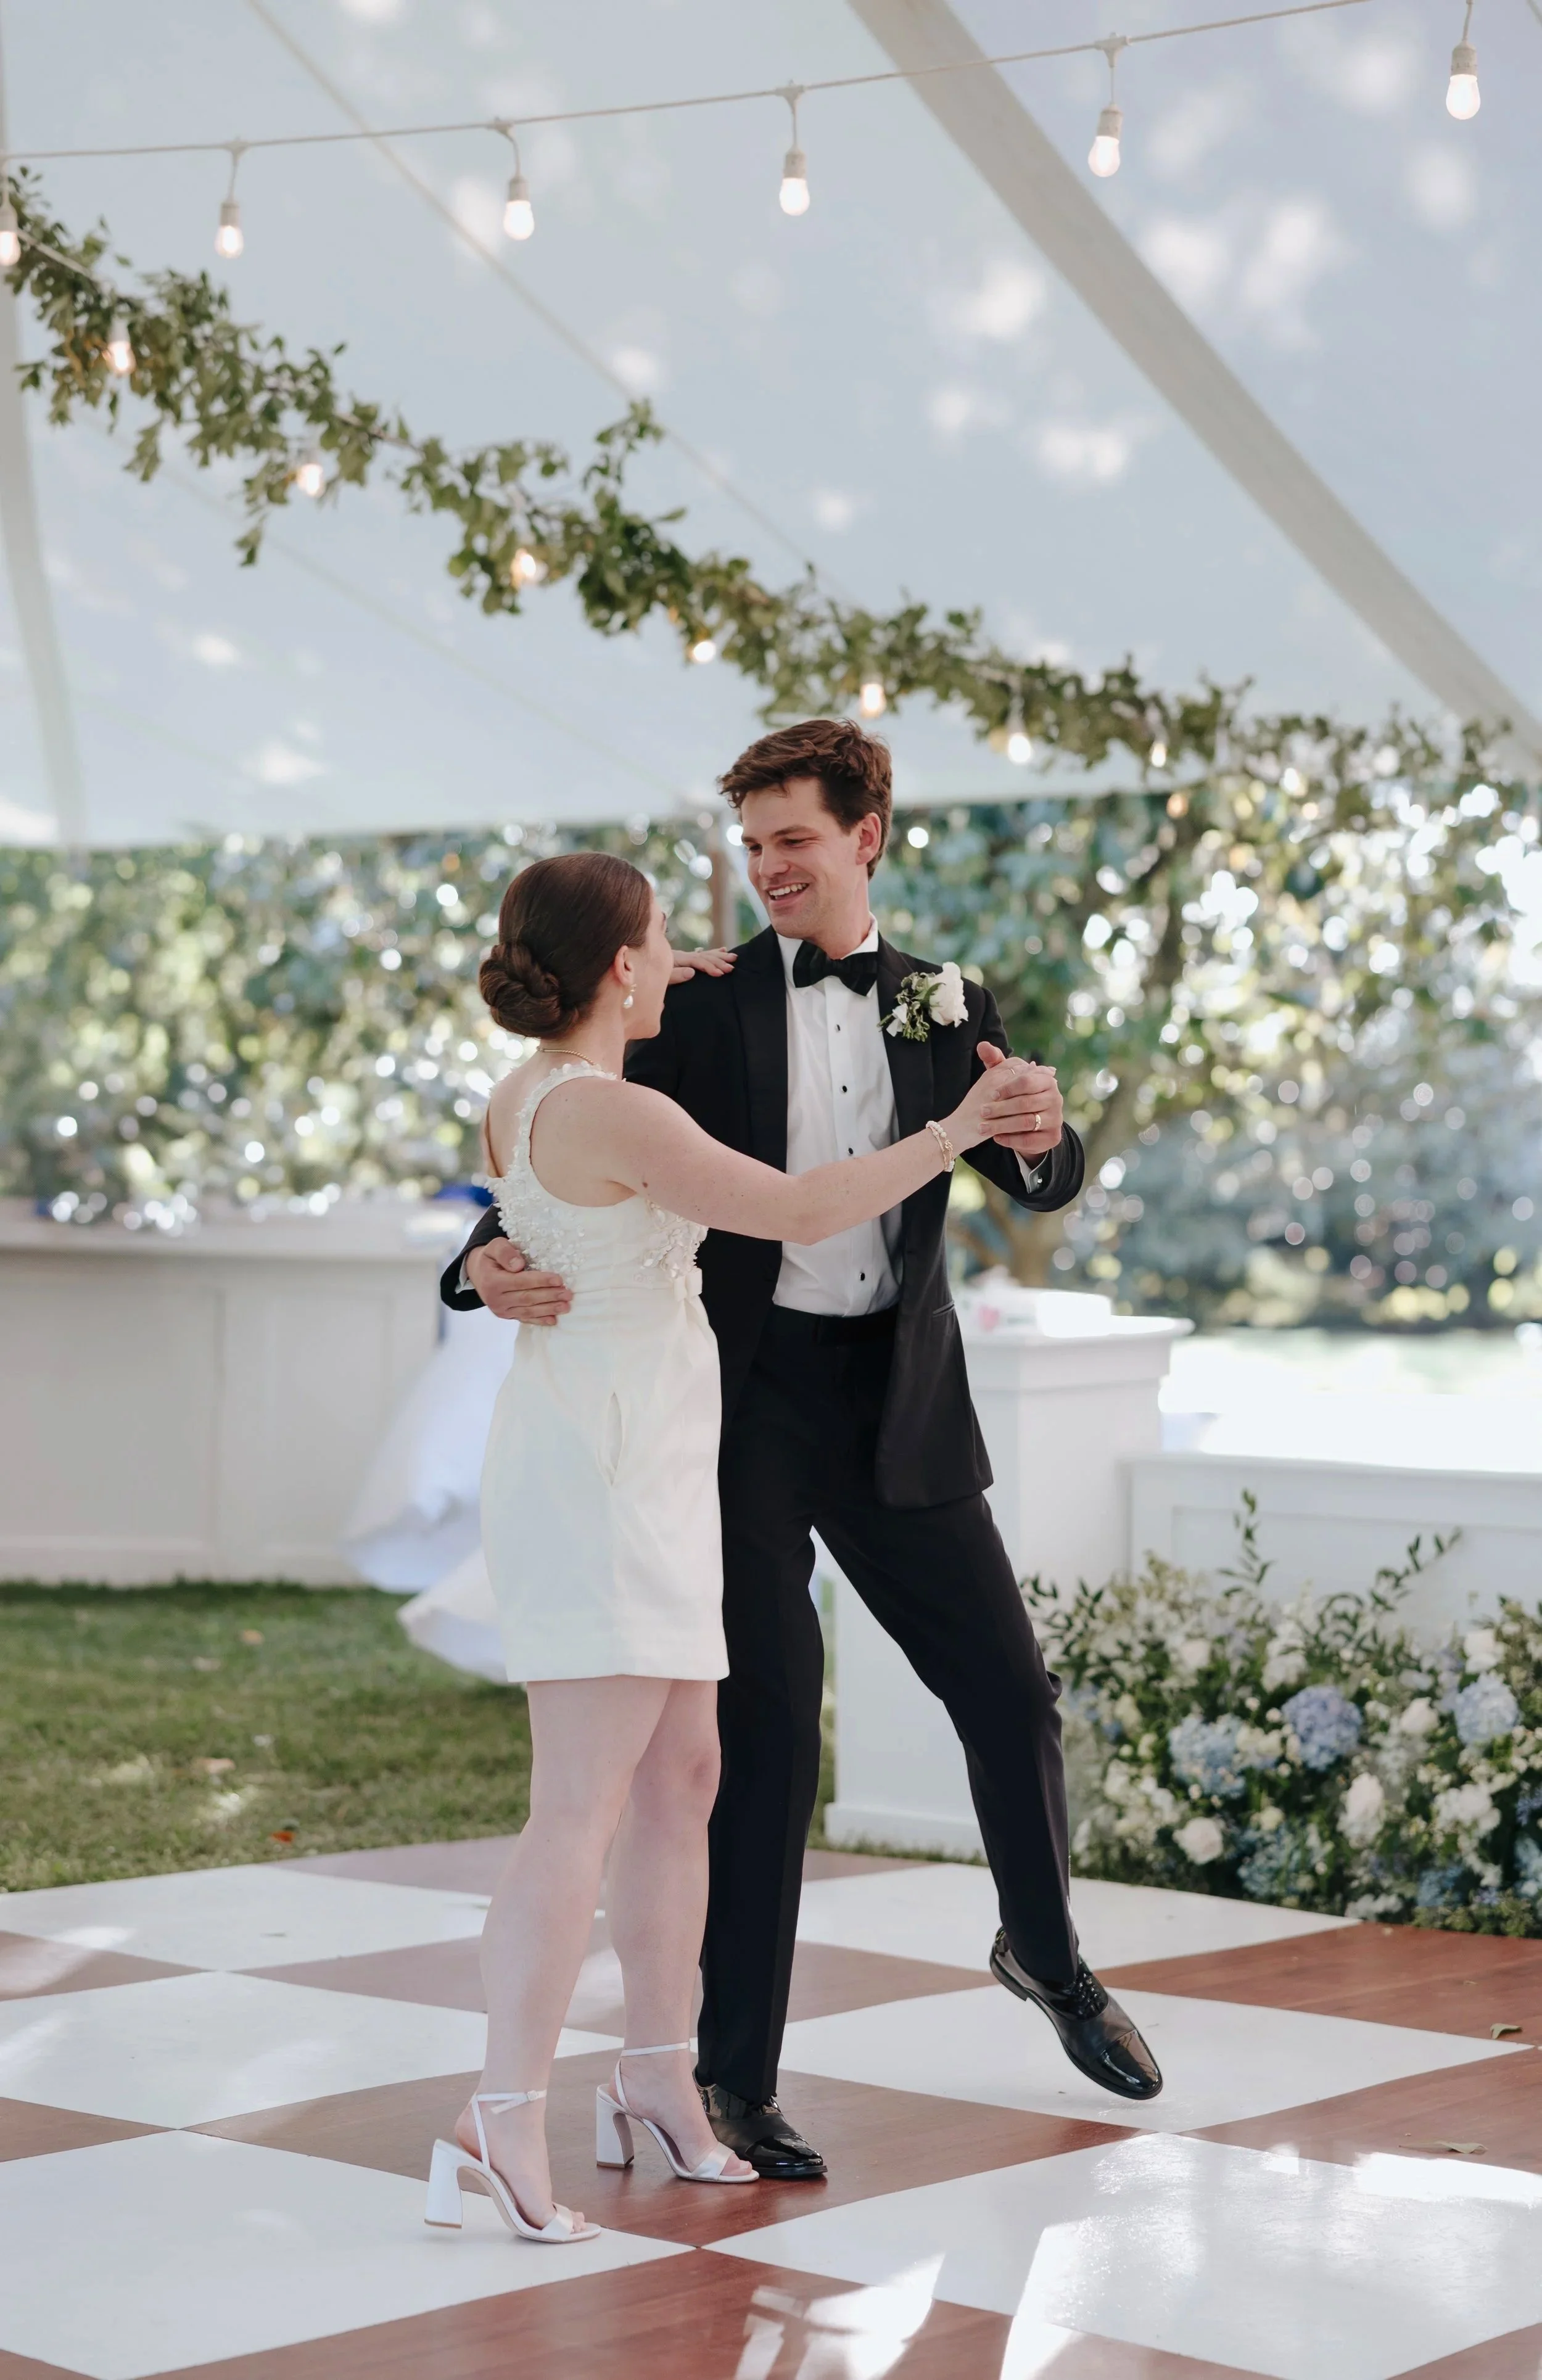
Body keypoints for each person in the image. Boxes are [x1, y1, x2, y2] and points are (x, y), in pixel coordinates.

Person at [445, 720, 1162, 2185]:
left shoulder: (943, 1000)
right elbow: (545, 1164)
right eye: (750, 844)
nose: (766, 869)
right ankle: (726, 2079)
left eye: (791, 841)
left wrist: (1033, 1135)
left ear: (864, 838)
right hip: (735, 1416)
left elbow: (1038, 1170)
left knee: (1006, 1687)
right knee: (755, 1743)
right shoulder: (681, 1004)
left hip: (895, 1399)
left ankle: (1044, 1952)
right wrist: (475, 1266)